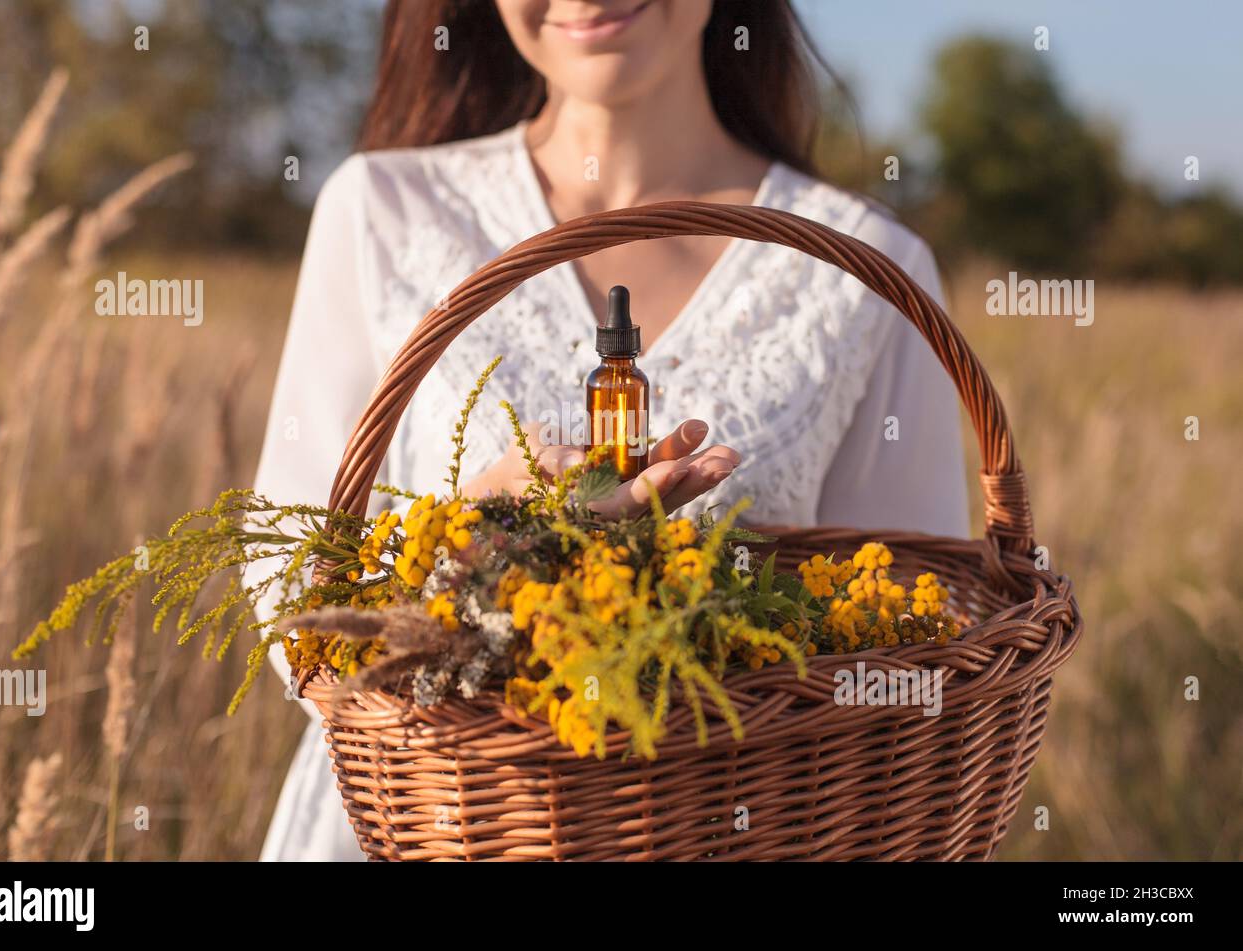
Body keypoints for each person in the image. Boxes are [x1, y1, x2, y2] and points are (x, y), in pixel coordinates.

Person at [251, 0, 968, 861]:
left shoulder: (867, 272)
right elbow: (289, 594)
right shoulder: (381, 208)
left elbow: (914, 660)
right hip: (416, 829)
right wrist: (479, 545)